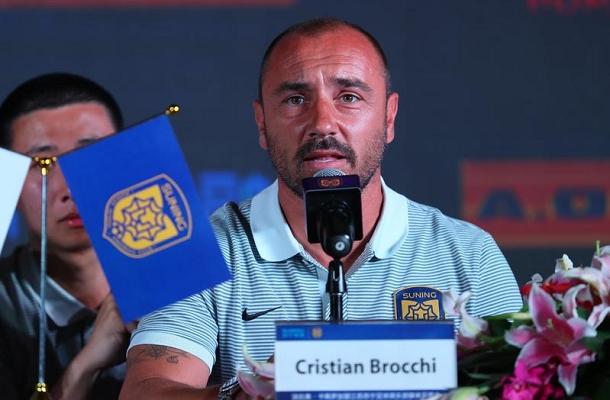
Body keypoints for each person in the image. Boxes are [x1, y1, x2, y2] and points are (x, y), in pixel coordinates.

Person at [120, 18, 523, 399]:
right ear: (262, 123)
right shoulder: (197, 251)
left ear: (389, 117)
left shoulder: (468, 252)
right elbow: (146, 389)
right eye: (295, 99)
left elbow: (522, 385)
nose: (322, 123)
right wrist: (249, 395)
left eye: (349, 97)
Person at [0, 73, 132, 400]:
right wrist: (84, 367)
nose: (71, 188)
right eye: (42, 164)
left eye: (92, 156)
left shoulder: (192, 284)